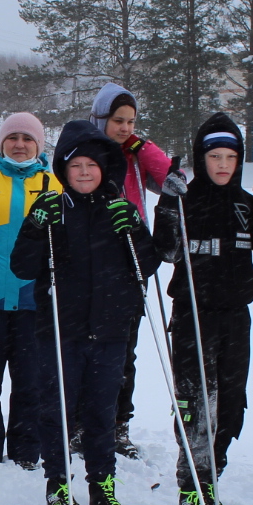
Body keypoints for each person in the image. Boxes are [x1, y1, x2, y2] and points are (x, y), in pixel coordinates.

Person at [10, 121, 158, 505]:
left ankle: (102, 489)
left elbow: (146, 267)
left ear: (105, 168)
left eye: (93, 165)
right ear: (64, 169)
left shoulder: (119, 210)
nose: (85, 172)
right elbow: (22, 267)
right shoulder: (55, 210)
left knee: (101, 413)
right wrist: (36, 224)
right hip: (61, 330)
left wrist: (138, 235)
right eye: (77, 165)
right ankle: (58, 487)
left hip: (110, 331)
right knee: (58, 409)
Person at [151, 113, 253, 505]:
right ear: (201, 158)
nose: (223, 164)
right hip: (193, 313)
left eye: (231, 157)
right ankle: (192, 484)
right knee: (195, 400)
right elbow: (167, 252)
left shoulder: (248, 204)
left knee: (229, 404)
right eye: (215, 156)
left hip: (235, 315)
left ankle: (212, 476)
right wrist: (168, 205)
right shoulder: (185, 199)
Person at [0, 112, 61, 472]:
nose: (19, 145)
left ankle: (25, 452)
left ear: (39, 144)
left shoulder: (55, 184)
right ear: (1, 142)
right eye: (12, 138)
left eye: (28, 139)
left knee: (30, 381)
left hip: (33, 299)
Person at [90, 83, 172, 460]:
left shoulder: (136, 157)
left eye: (130, 122)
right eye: (117, 120)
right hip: (91, 261)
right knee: (87, 349)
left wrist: (142, 146)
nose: (124, 128)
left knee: (124, 352)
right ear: (101, 118)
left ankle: (118, 424)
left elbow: (173, 179)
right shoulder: (85, 152)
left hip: (129, 261)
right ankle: (81, 423)